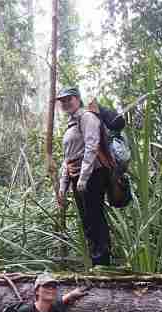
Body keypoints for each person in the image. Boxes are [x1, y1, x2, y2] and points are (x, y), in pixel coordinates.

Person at [56, 86, 112, 267]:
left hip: (93, 174)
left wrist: (84, 177)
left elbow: (92, 147)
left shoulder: (87, 117)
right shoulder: (71, 123)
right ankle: (96, 262)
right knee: (87, 220)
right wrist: (62, 186)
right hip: (76, 176)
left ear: (77, 99)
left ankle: (103, 264)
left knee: (95, 217)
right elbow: (67, 158)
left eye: (68, 99)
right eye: (62, 101)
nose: (65, 103)